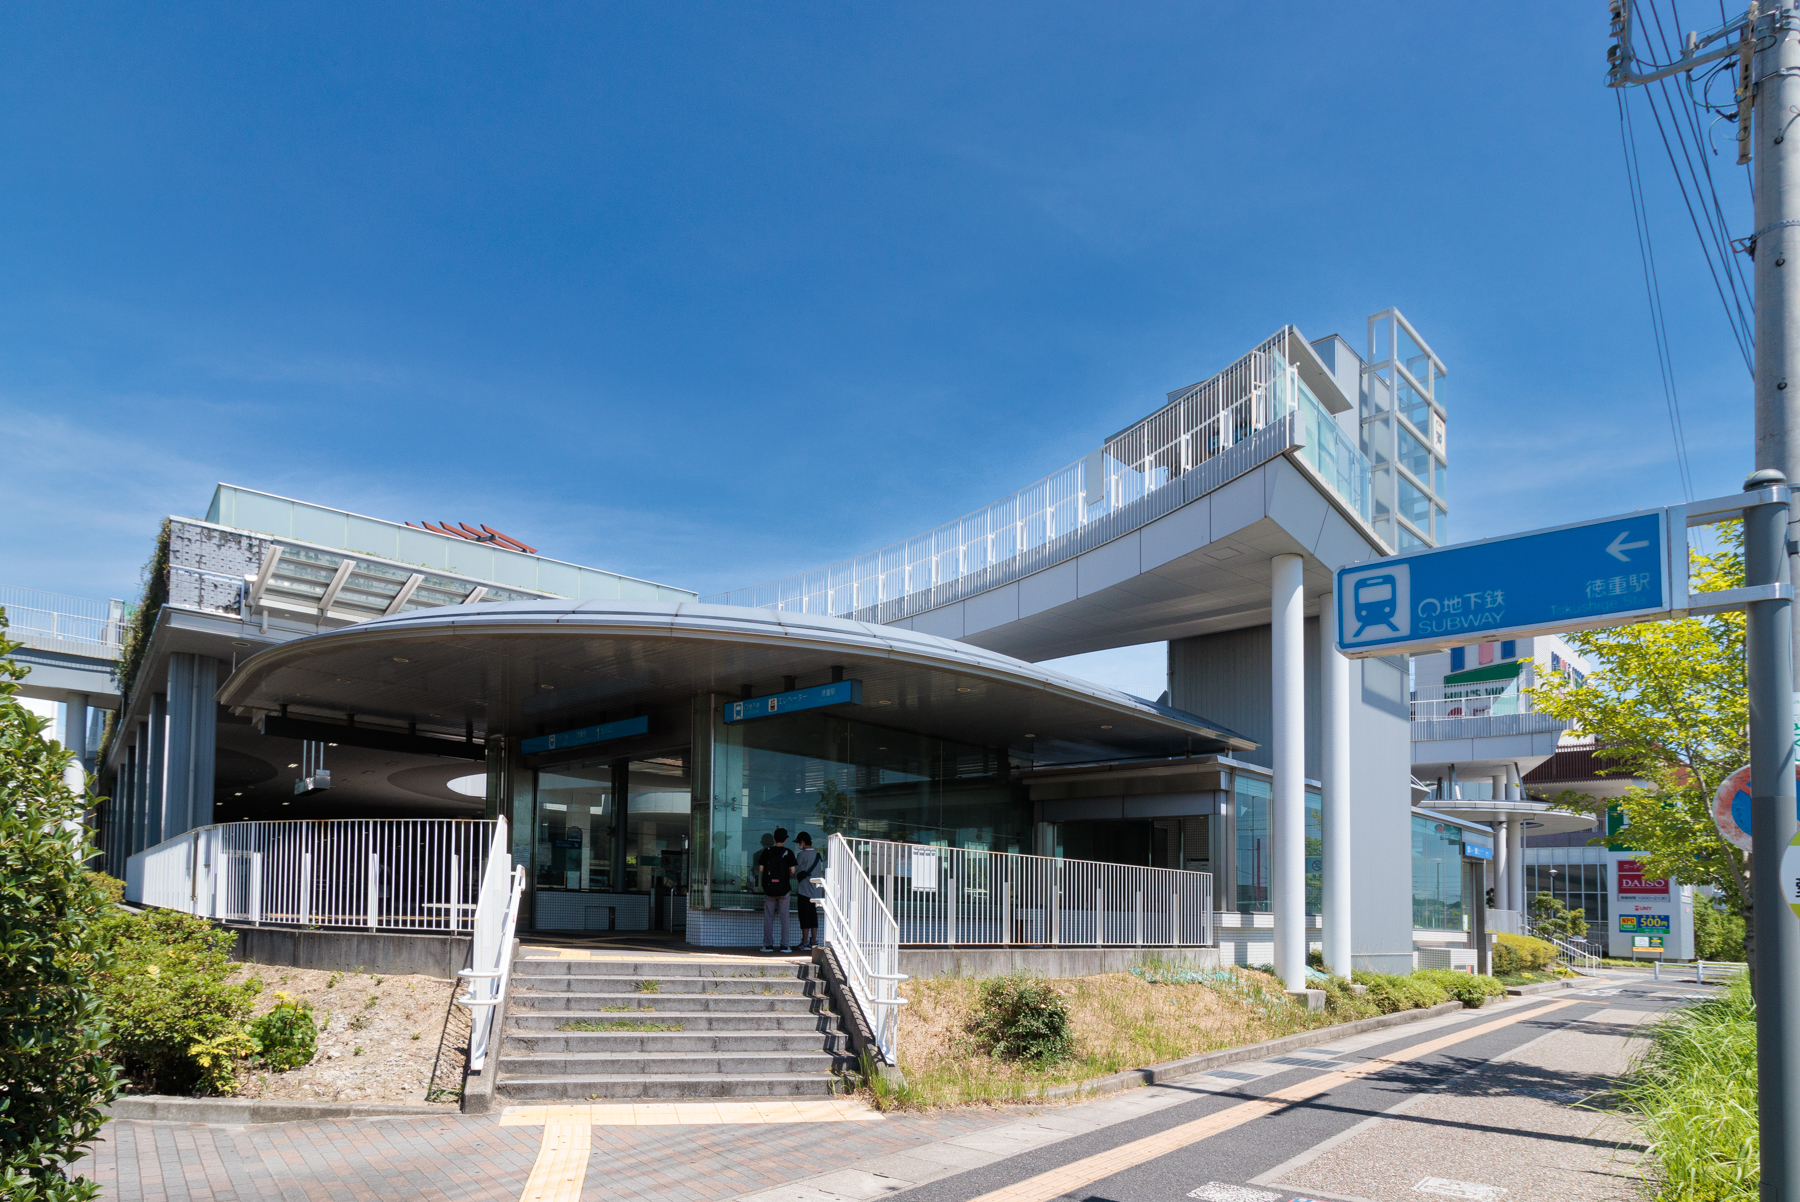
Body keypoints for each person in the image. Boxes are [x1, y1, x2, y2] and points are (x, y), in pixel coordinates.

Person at [756, 827, 797, 953]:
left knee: (769, 917)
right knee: (784, 918)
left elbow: (761, 870)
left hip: (769, 890)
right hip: (784, 890)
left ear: (774, 839)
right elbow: (793, 871)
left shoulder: (766, 851)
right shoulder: (788, 852)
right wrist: (784, 876)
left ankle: (768, 945)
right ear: (785, 840)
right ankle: (784, 946)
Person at [792, 832, 825, 950]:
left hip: (804, 890)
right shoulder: (817, 854)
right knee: (813, 916)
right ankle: (814, 940)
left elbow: (795, 872)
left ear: (802, 841)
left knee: (804, 916)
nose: (798, 845)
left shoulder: (801, 855)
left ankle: (804, 941)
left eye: (798, 843)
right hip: (815, 891)